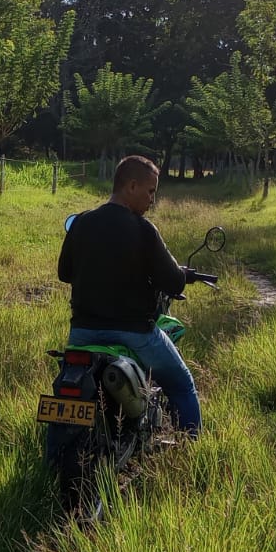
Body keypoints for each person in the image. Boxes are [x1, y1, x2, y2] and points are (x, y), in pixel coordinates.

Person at [56, 154, 201, 434]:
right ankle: (193, 449)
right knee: (182, 384)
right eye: (150, 191)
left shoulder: (82, 223)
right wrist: (181, 275)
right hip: (134, 333)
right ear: (131, 186)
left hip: (83, 333)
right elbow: (173, 282)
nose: (152, 200)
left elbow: (64, 273)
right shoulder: (143, 229)